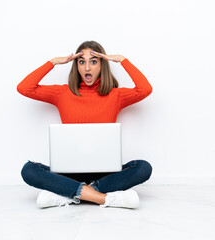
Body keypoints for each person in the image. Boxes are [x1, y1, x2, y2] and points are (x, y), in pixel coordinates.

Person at [17, 41, 153, 209]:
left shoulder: (115, 95)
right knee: (28, 170)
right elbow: (24, 88)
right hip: (68, 172)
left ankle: (68, 194)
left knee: (143, 168)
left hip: (105, 172)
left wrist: (121, 60)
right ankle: (101, 198)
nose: (87, 67)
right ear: (76, 66)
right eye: (82, 62)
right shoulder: (62, 93)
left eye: (94, 61)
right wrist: (53, 62)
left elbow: (145, 89)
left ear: (102, 65)